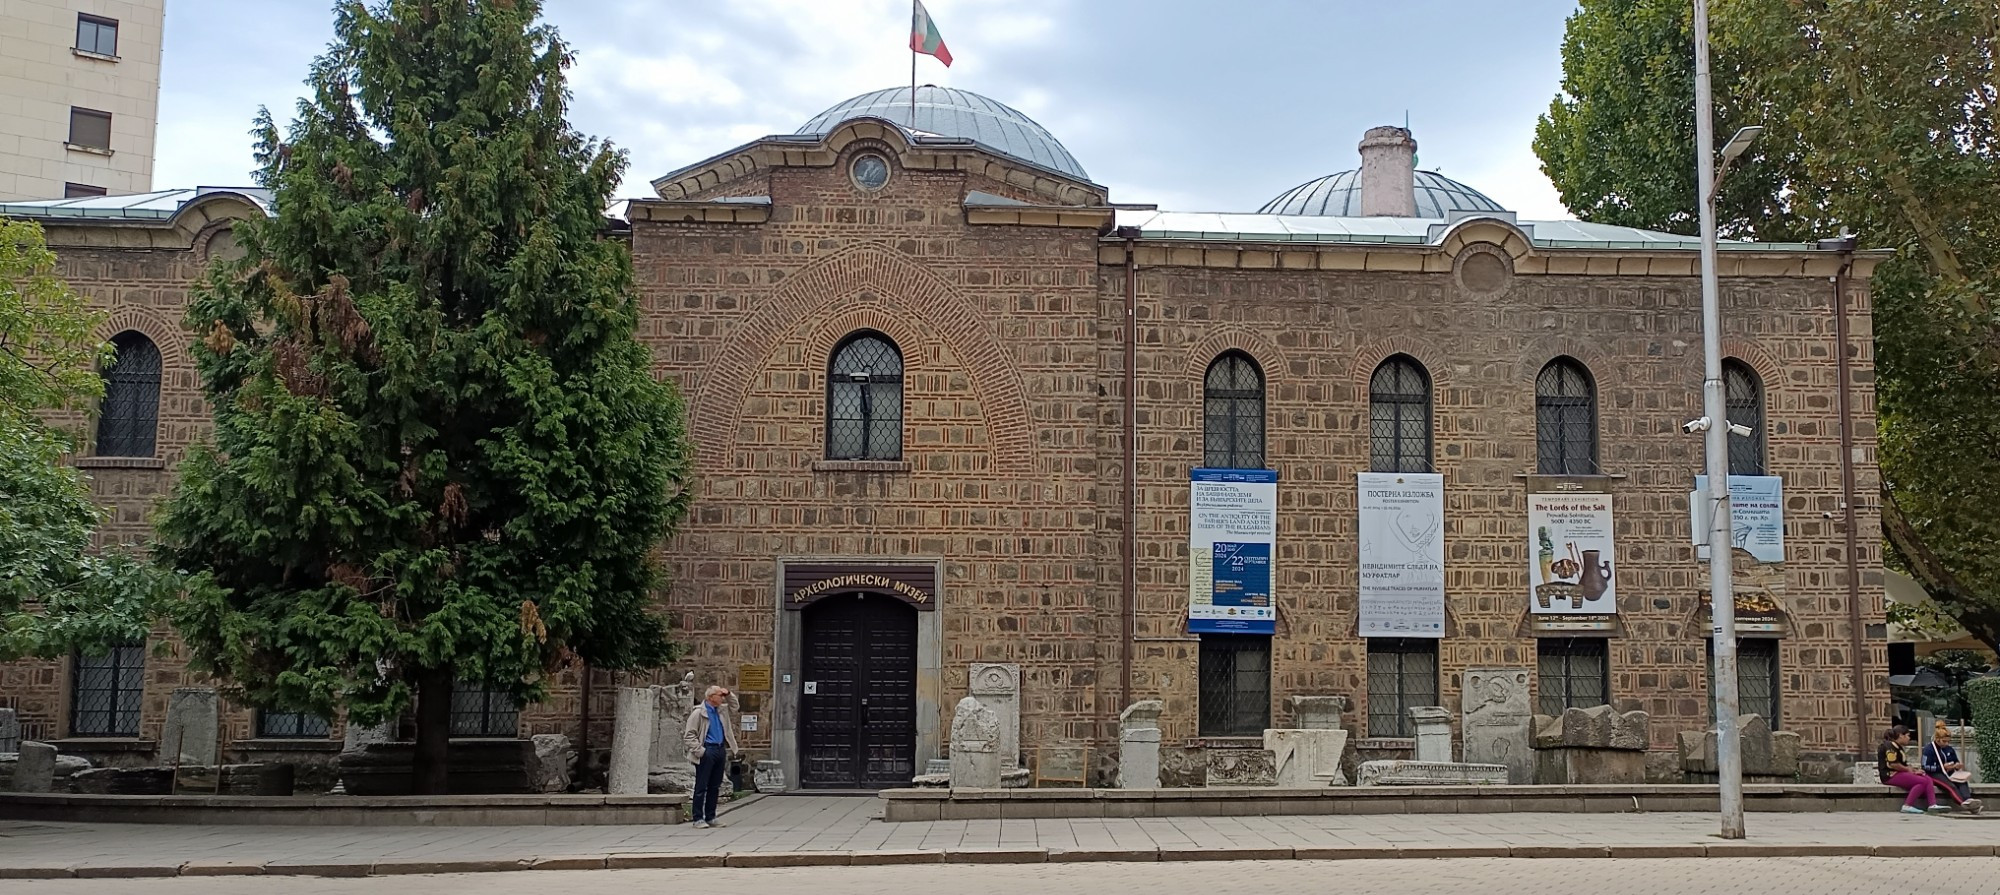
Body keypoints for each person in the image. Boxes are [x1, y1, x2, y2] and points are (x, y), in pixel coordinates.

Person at [683, 684, 740, 829]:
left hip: (720, 749)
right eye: (719, 695)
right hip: (707, 750)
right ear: (710, 697)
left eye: (722, 696)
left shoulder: (721, 711)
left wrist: (729, 693)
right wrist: (700, 751)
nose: (721, 698)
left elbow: (735, 706)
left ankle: (711, 816)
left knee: (715, 785)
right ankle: (697, 818)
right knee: (702, 785)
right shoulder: (699, 713)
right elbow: (689, 735)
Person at [1879, 725, 1949, 814]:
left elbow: (1903, 764)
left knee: (1926, 778)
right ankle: (1907, 805)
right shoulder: (1889, 746)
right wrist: (1908, 770)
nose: (1909, 738)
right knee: (1922, 781)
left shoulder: (1898, 746)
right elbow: (1893, 764)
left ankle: (1932, 804)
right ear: (1901, 735)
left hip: (1899, 773)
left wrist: (1915, 771)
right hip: (1890, 775)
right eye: (1908, 735)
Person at [1922, 721, 1983, 814]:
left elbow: (1955, 760)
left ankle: (1969, 800)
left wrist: (1957, 765)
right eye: (1944, 741)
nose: (1946, 743)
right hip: (1934, 774)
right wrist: (1941, 767)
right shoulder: (1929, 750)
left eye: (1948, 741)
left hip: (1950, 771)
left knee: (1962, 781)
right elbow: (1925, 766)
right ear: (1937, 739)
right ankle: (1963, 803)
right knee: (1950, 786)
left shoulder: (1949, 749)